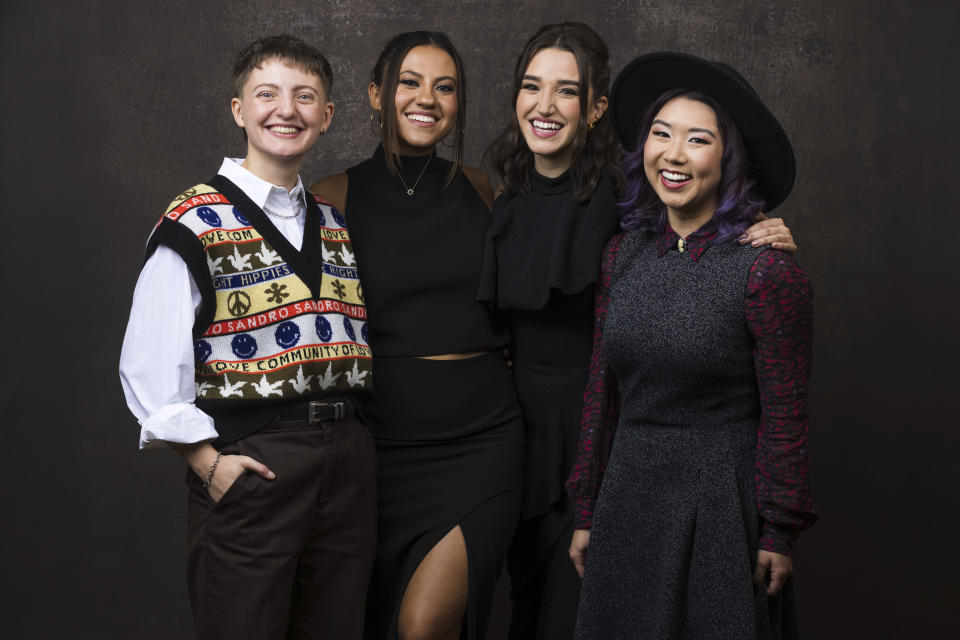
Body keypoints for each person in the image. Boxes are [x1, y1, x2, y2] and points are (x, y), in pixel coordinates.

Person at [480, 25, 799, 640]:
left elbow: (783, 404)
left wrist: (767, 236)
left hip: (665, 461)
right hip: (555, 446)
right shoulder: (523, 206)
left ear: (596, 107)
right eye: (531, 86)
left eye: (566, 91)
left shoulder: (668, 217)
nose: (545, 105)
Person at [119, 35, 376, 640]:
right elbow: (149, 363)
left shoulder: (333, 223)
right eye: (267, 94)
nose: (286, 110)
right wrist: (206, 465)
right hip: (256, 459)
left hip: (347, 463)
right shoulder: (194, 219)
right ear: (239, 110)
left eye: (304, 96)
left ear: (327, 115)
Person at [565, 52, 818, 639]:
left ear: (728, 160)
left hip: (720, 506)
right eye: (661, 134)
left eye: (697, 140)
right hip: (627, 495)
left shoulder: (766, 273)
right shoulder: (623, 255)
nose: (673, 155)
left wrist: (778, 530)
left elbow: (787, 417)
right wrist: (587, 506)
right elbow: (602, 392)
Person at [310, 31, 522, 640]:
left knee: (425, 625)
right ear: (377, 94)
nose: (426, 98)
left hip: (482, 439)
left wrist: (736, 226)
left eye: (445, 86)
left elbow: (570, 262)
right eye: (410, 81)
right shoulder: (333, 197)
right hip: (381, 447)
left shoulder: (485, 189)